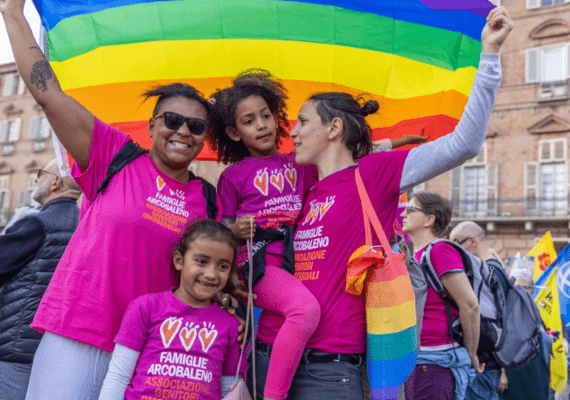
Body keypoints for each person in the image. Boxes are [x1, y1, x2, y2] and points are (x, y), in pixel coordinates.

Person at [248, 7, 513, 400]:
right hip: (269, 356)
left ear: (333, 128)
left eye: (302, 121)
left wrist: (489, 55)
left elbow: (464, 143)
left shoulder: (374, 174)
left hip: (329, 372)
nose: (293, 131)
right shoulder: (304, 186)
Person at [0, 0, 225, 398]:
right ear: (152, 126)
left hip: (152, 348)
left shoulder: (208, 199)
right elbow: (49, 95)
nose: (183, 132)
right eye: (172, 120)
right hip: (77, 335)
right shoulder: (114, 156)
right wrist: (12, 14)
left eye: (195, 126)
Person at [98, 219, 245, 400]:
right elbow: (118, 377)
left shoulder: (232, 326)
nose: (211, 274)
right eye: (201, 261)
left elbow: (229, 391)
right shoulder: (145, 308)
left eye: (223, 266)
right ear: (179, 261)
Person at [0, 159, 81, 400]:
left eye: (40, 174)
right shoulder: (85, 224)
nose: (36, 180)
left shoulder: (37, 222)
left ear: (55, 182)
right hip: (57, 351)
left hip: (14, 348)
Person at [402, 193, 482, 400]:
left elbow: (470, 305)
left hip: (435, 362)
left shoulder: (440, 250)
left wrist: (471, 353)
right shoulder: (418, 255)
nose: (403, 214)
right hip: (421, 360)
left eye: (411, 209)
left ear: (429, 219)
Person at [449, 221, 509, 400]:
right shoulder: (498, 271)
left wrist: (473, 355)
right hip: (491, 366)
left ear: (472, 241)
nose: (454, 251)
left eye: (456, 244)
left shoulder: (485, 274)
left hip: (481, 366)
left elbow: (477, 313)